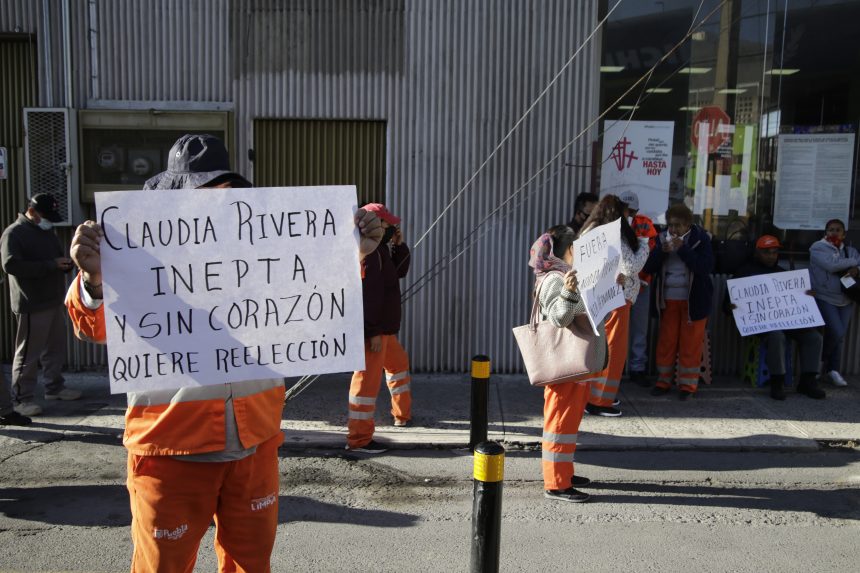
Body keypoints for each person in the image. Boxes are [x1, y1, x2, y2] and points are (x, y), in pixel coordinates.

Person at [65, 134, 384, 572]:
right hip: (168, 450)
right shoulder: (131, 256)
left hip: (255, 445)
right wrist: (93, 281)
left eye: (224, 192)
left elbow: (314, 300)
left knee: (251, 565)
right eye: (202, 194)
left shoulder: (261, 253)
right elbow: (91, 325)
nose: (216, 204)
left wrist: (355, 255)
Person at [530, 225, 607, 503]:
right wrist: (571, 292)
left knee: (569, 423)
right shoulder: (554, 278)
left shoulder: (565, 274)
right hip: (564, 367)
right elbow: (559, 318)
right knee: (559, 425)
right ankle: (556, 483)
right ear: (569, 250)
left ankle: (565, 473)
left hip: (574, 366)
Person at [1, 192, 80, 418]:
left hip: (52, 298)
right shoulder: (14, 233)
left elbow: (53, 258)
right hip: (31, 302)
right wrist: (50, 265)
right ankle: (21, 398)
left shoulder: (45, 231)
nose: (49, 221)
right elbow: (10, 265)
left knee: (54, 349)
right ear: (32, 212)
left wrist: (64, 265)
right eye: (46, 216)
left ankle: (54, 387)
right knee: (28, 353)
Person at [724, 235, 824, 400]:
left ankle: (808, 381)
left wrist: (806, 296)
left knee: (814, 338)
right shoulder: (744, 273)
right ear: (757, 253)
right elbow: (726, 305)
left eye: (774, 252)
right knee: (777, 336)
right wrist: (732, 306)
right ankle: (777, 382)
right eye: (766, 252)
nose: (771, 256)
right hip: (762, 325)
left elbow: (795, 301)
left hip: (787, 322)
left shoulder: (782, 275)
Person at [346, 203, 412, 454]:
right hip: (375, 331)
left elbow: (400, 270)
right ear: (377, 224)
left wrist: (399, 244)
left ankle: (401, 415)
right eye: (389, 224)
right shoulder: (368, 253)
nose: (393, 227)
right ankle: (359, 440)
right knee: (366, 384)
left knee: (398, 364)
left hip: (384, 329)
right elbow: (369, 295)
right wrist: (372, 331)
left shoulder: (380, 249)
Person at [579, 195, 649, 416]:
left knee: (598, 350)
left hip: (596, 299)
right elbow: (631, 266)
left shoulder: (589, 230)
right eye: (627, 213)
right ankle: (601, 402)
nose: (629, 217)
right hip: (616, 299)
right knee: (614, 351)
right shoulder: (614, 233)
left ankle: (593, 396)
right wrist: (645, 245)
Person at [643, 203, 714, 400]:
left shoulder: (702, 239)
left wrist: (683, 250)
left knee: (691, 344)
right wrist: (661, 252)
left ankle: (688, 386)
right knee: (666, 342)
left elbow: (704, 268)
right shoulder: (660, 238)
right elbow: (648, 267)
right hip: (668, 299)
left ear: (688, 225)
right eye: (670, 225)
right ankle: (663, 381)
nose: (673, 230)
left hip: (694, 301)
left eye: (678, 226)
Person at [808, 218, 860, 387]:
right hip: (825, 297)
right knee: (837, 331)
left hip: (846, 298)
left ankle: (833, 370)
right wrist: (854, 264)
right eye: (831, 229)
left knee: (839, 336)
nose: (834, 232)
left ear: (844, 234)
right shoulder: (817, 248)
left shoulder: (851, 251)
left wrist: (858, 269)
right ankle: (821, 363)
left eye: (838, 230)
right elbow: (831, 265)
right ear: (825, 232)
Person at [619, 191, 658, 387]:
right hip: (619, 285)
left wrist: (639, 274)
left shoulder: (644, 223)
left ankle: (637, 369)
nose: (629, 214)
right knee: (615, 330)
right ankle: (613, 367)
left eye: (632, 210)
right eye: (626, 210)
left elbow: (652, 250)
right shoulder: (612, 225)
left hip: (641, 283)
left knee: (639, 329)